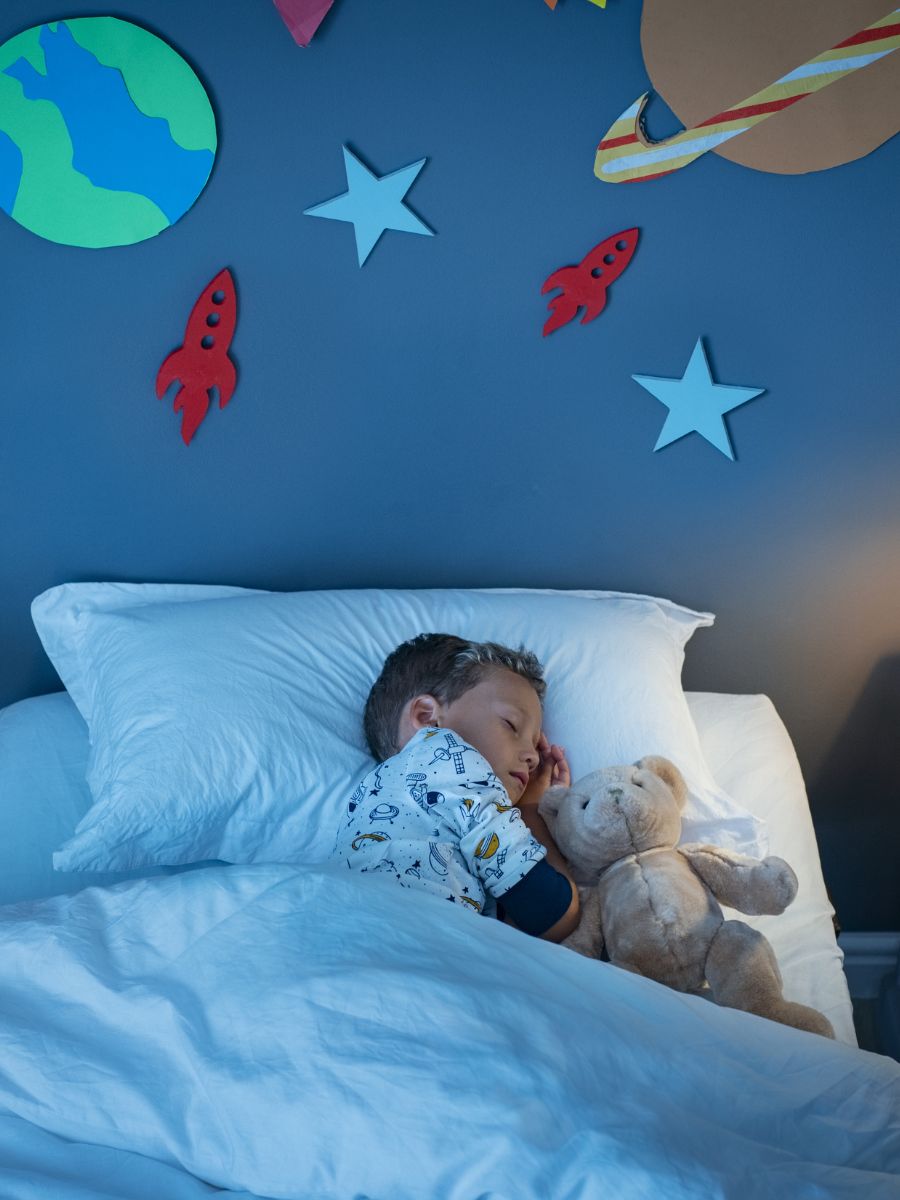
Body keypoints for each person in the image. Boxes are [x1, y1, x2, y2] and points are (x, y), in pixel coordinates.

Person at [332, 633, 580, 942]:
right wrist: (530, 810)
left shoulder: (366, 797)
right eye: (511, 725)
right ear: (427, 718)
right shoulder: (449, 756)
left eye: (534, 743)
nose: (532, 757)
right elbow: (553, 914)